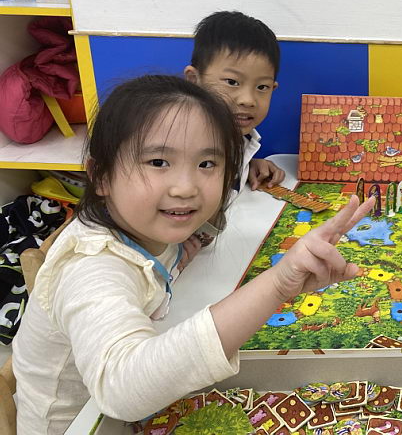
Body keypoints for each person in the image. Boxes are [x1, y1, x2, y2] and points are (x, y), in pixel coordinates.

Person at [12, 75, 373, 433]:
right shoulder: (91, 266)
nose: (186, 188)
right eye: (158, 162)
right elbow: (121, 389)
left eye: (206, 164)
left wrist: (184, 247)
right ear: (101, 176)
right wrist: (278, 284)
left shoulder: (148, 228)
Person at [184, 10, 285, 195]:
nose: (248, 100)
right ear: (194, 80)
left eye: (262, 87)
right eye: (232, 82)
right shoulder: (175, 142)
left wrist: (245, 166)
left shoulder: (240, 139)